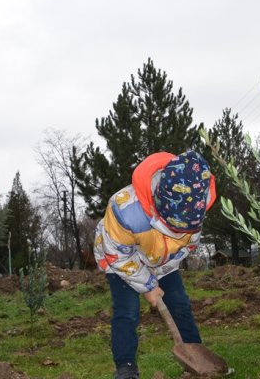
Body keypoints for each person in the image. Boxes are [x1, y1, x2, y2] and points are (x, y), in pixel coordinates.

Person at [93, 151, 217, 379]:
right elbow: (118, 256)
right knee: (127, 311)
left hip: (162, 260)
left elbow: (186, 247)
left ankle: (196, 352)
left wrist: (157, 274)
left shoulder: (196, 202)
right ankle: (126, 368)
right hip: (121, 261)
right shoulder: (125, 211)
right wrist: (148, 286)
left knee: (179, 303)